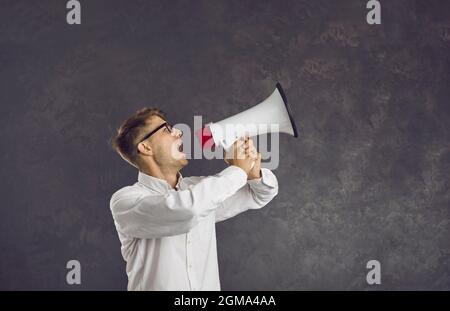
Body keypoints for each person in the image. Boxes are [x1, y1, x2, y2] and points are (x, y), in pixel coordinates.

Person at [109, 107, 278, 290]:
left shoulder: (201, 190)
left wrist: (253, 174)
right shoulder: (126, 201)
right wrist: (237, 171)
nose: (179, 132)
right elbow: (186, 211)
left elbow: (259, 194)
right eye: (167, 129)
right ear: (145, 147)